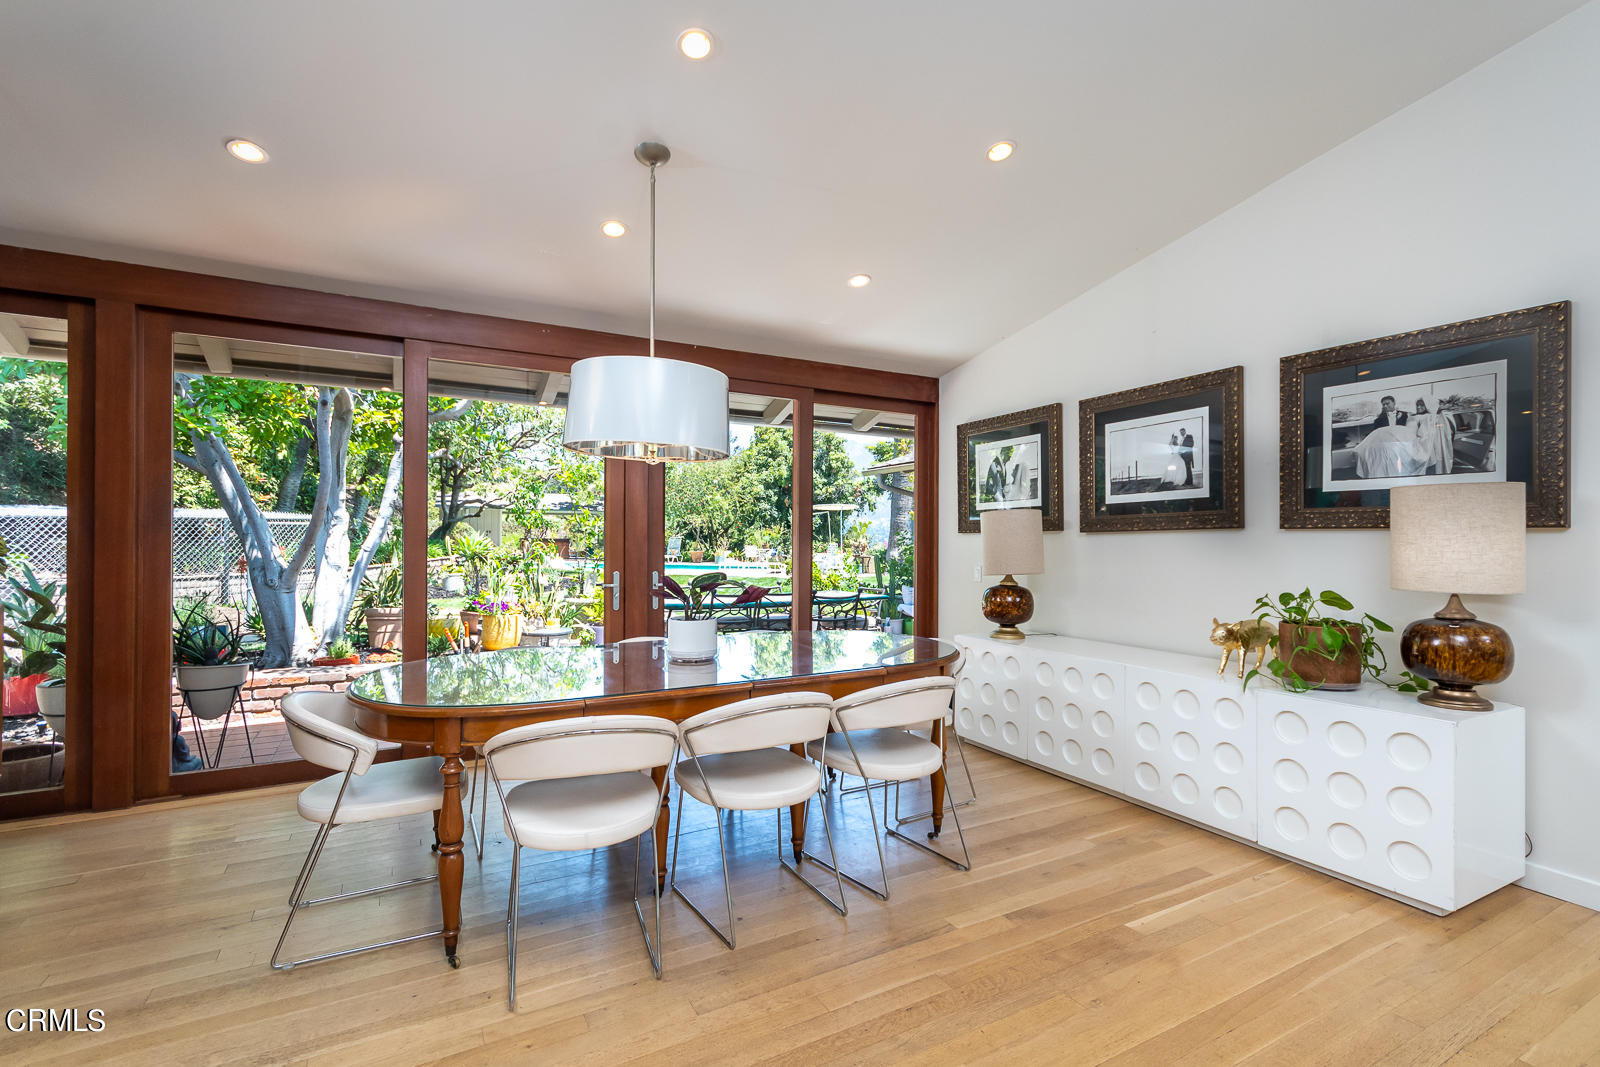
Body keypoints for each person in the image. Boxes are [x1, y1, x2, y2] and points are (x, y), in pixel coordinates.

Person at [1411, 398, 1455, 474]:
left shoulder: (1434, 418)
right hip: (1424, 452)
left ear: (1429, 405)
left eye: (1421, 405)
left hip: (1431, 452)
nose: (1418, 407)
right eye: (1417, 405)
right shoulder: (1420, 417)